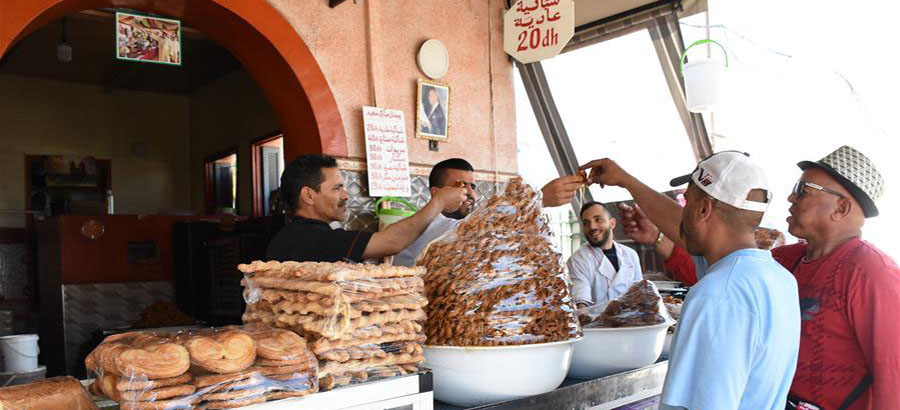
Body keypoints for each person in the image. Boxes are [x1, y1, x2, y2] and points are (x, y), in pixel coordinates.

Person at [614, 146, 900, 409]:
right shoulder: (785, 265)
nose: (790, 197)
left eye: (803, 190)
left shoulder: (872, 274)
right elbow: (719, 257)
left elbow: (894, 379)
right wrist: (659, 238)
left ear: (841, 208)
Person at [581, 151, 801, 410]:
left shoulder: (717, 295)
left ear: (704, 209)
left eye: (687, 201)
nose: (681, 214)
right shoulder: (780, 279)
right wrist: (627, 181)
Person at [266, 154, 466, 263]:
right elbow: (392, 242)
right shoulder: (312, 238)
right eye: (337, 188)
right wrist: (438, 203)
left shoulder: (287, 236)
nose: (346, 195)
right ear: (309, 195)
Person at [393, 158, 478, 267]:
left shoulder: (476, 227)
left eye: (473, 186)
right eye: (461, 185)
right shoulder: (419, 229)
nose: (470, 192)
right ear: (436, 193)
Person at [567, 201, 642, 308]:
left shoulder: (630, 255)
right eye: (586, 223)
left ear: (612, 223)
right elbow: (581, 301)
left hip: (632, 321)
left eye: (598, 220)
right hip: (594, 323)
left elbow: (639, 293)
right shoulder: (578, 260)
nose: (592, 227)